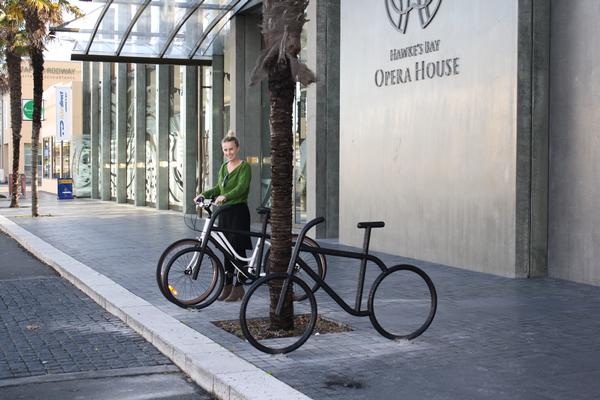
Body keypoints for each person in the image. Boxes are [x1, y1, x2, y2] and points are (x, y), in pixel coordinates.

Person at [194, 133, 252, 302]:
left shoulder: (244, 167)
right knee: (226, 250)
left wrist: (225, 197)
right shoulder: (223, 167)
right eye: (226, 150)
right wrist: (203, 195)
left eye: (231, 149)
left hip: (238, 212)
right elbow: (219, 189)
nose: (229, 153)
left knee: (238, 249)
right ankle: (227, 285)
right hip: (224, 213)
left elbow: (241, 188)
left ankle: (239, 286)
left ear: (237, 148)